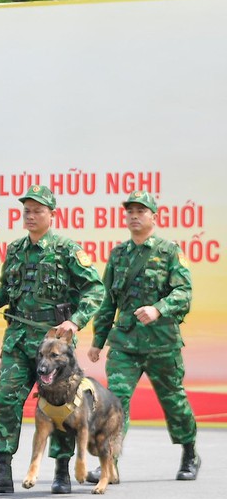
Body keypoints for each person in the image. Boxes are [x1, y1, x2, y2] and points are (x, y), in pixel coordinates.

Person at [0, 185, 103, 494]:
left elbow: (95, 289)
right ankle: (2, 471)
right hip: (18, 342)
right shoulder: (16, 250)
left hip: (53, 344)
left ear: (52, 214)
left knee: (58, 405)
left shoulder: (66, 249)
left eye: (38, 211)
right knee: (6, 399)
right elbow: (7, 288)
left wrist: (76, 320)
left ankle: (61, 472)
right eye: (27, 211)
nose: (31, 216)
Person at [87, 190, 199, 481]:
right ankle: (110, 463)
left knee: (173, 401)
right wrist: (98, 341)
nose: (134, 216)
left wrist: (159, 309)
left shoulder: (169, 252)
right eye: (130, 211)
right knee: (116, 401)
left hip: (162, 344)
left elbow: (184, 292)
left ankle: (189, 453)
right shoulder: (118, 255)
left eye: (141, 211)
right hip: (124, 343)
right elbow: (107, 301)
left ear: (154, 216)